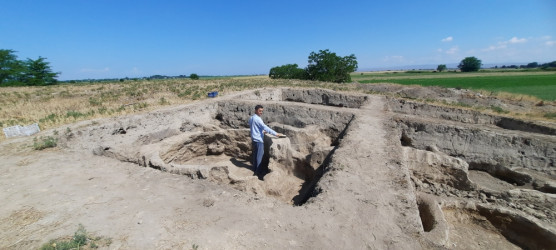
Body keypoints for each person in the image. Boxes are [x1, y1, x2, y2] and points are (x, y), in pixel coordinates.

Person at [248, 105, 283, 179]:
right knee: (259, 157)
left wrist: (261, 131)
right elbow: (265, 127)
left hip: (254, 139)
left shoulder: (251, 118)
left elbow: (254, 128)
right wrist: (275, 134)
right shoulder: (258, 119)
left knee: (255, 156)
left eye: (262, 111)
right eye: (260, 111)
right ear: (256, 110)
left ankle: (254, 169)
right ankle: (258, 173)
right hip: (258, 140)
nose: (261, 112)